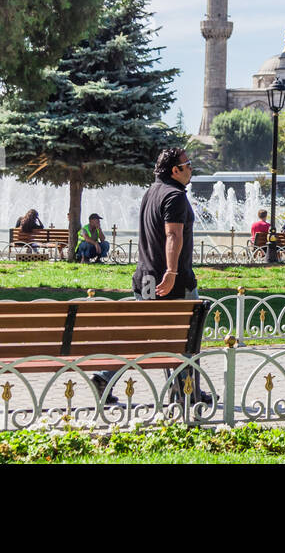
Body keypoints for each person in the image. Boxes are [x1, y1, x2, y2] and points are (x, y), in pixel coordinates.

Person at [113, 146, 209, 406]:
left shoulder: (151, 192)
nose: (191, 169)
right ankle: (188, 393)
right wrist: (171, 271)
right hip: (173, 283)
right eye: (188, 164)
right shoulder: (175, 196)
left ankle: (105, 374)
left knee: (145, 334)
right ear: (175, 170)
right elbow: (173, 235)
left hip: (145, 278)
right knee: (188, 338)